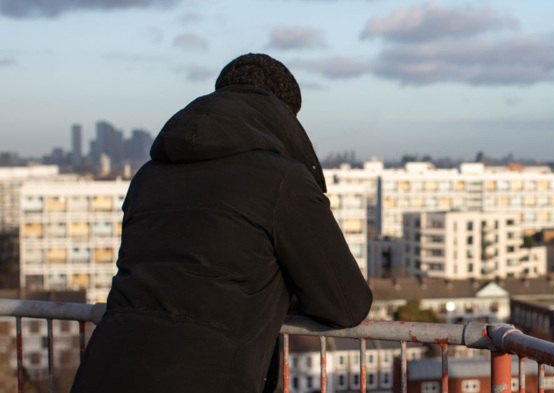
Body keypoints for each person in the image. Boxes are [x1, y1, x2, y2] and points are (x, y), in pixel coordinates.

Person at [71, 53, 373, 392]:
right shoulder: (281, 180)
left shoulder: (148, 176)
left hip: (104, 370)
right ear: (284, 116)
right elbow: (347, 305)